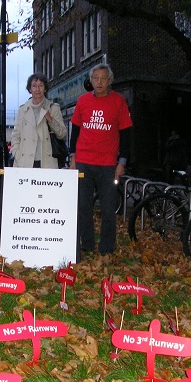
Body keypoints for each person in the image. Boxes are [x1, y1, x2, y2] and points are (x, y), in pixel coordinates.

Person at [69, 63, 133, 255]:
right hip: (83, 162)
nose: (99, 82)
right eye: (95, 78)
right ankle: (87, 245)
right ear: (91, 80)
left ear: (109, 81)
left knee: (108, 209)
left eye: (103, 78)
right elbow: (75, 131)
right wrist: (73, 157)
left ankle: (106, 248)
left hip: (107, 165)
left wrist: (122, 162)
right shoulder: (82, 101)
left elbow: (126, 134)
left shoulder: (118, 101)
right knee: (83, 207)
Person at [11, 73, 67, 168]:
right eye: (34, 86)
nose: (37, 89)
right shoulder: (22, 110)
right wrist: (17, 154)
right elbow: (16, 136)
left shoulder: (53, 108)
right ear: (30, 89)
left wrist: (50, 119)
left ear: (45, 89)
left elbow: (62, 134)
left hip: (47, 163)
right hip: (25, 163)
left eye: (41, 85)